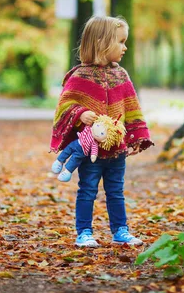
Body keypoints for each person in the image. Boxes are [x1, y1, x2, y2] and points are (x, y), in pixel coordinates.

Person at [50, 15, 154, 247]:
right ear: (101, 43)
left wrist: (138, 137)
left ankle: (121, 231)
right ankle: (84, 232)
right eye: (120, 41)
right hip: (91, 150)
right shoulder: (79, 76)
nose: (125, 47)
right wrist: (79, 114)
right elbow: (65, 106)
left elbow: (131, 107)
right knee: (87, 190)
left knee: (116, 191)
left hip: (117, 150)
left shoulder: (121, 75)